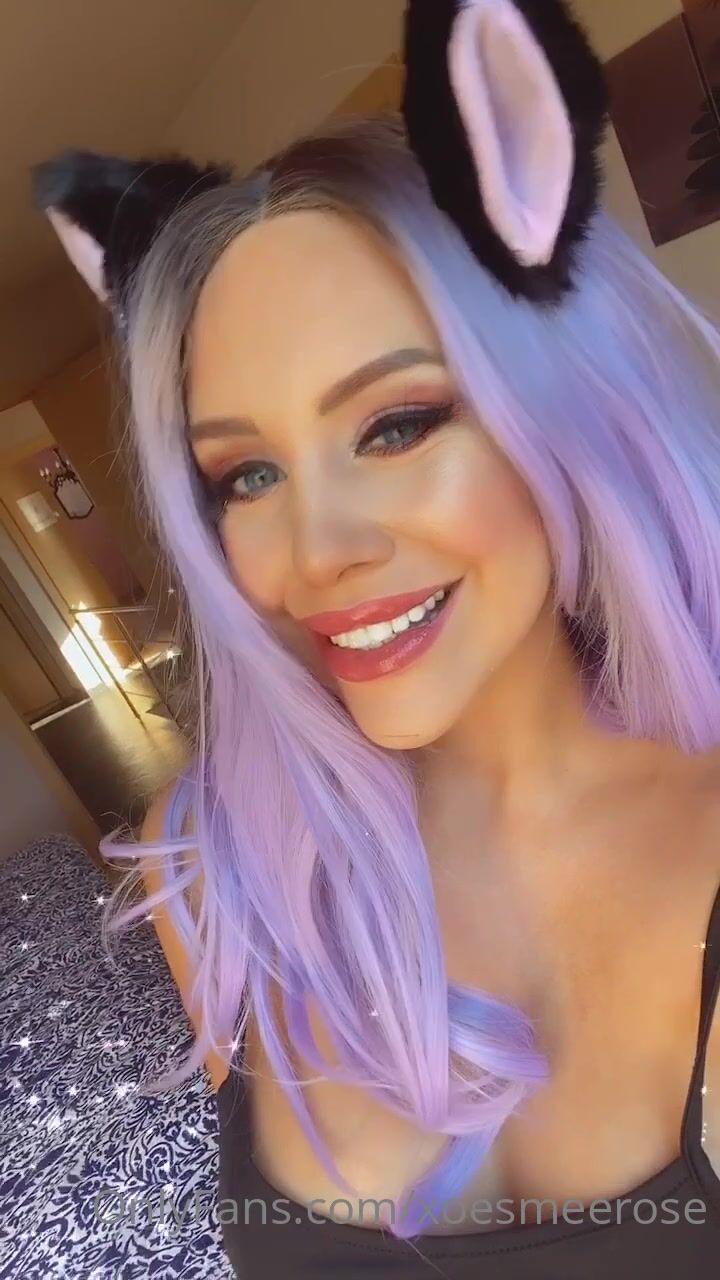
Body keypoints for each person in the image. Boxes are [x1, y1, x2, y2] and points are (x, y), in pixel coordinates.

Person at [33, 0, 720, 1274]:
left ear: (564, 405)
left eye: (395, 424)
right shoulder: (219, 866)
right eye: (245, 475)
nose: (316, 551)